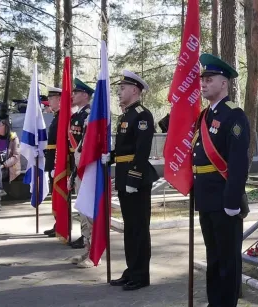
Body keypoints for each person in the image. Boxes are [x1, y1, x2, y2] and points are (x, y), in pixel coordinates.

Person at [191, 53, 250, 307]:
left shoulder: (234, 115)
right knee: (213, 257)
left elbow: (238, 163)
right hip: (206, 197)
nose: (203, 84)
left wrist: (232, 199)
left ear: (224, 83)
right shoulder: (203, 116)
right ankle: (215, 302)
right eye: (202, 79)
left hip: (225, 199)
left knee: (227, 260)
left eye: (209, 79)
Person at [106, 70, 159, 291]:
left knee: (138, 228)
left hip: (135, 179)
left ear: (135, 90)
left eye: (123, 88)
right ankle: (131, 270)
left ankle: (141, 275)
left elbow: (142, 150)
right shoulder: (125, 116)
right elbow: (124, 149)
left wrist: (134, 178)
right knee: (130, 228)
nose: (119, 92)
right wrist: (110, 157)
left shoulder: (142, 115)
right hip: (124, 175)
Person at [67, 78, 96, 269]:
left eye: (76, 93)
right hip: (77, 168)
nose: (73, 96)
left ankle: (94, 253)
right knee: (82, 211)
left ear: (85, 95)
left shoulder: (90, 116)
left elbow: (87, 146)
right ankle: (87, 249)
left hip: (87, 170)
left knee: (89, 212)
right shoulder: (77, 115)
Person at [43, 86, 62, 237]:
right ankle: (59, 224)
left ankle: (62, 225)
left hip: (59, 161)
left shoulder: (63, 117)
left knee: (60, 195)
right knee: (55, 195)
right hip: (53, 160)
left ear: (60, 99)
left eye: (51, 98)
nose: (48, 101)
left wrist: (56, 161)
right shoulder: (57, 116)